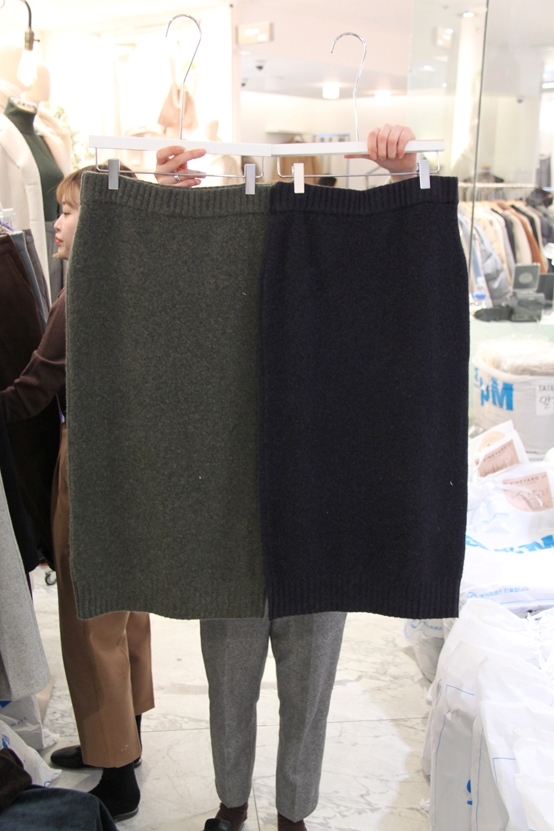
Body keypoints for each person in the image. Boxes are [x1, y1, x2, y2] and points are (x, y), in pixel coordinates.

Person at [156, 124, 417, 831]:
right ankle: (233, 803)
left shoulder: (346, 265)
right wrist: (167, 194)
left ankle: (293, 812)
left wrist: (405, 179)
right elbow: (157, 287)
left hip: (320, 506)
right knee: (229, 682)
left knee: (308, 686)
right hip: (230, 509)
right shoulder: (216, 260)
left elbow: (413, 278)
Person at [0, 159, 207, 822]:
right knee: (126, 609)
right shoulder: (139, 282)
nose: (57, 224)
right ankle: (124, 737)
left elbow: (32, 390)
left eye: (68, 210)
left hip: (90, 463)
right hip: (135, 464)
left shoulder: (81, 293)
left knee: (90, 621)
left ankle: (116, 770)